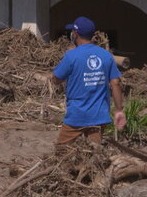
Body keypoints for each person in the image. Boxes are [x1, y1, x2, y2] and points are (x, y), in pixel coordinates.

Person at [52, 16, 126, 145]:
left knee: (61, 153)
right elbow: (116, 83)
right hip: (98, 117)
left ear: (75, 34)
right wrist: (119, 110)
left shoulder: (71, 56)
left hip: (76, 117)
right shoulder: (106, 55)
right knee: (94, 155)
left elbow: (56, 80)